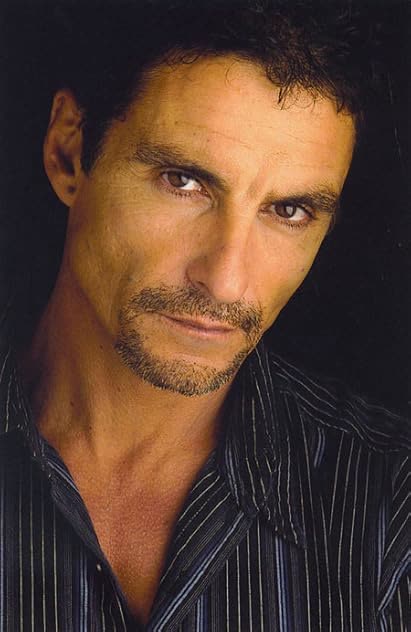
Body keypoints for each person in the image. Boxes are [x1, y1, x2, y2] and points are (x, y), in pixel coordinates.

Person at [0, 1, 409, 630]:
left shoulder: (392, 508)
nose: (225, 280)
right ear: (69, 152)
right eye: (184, 181)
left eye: (289, 211)